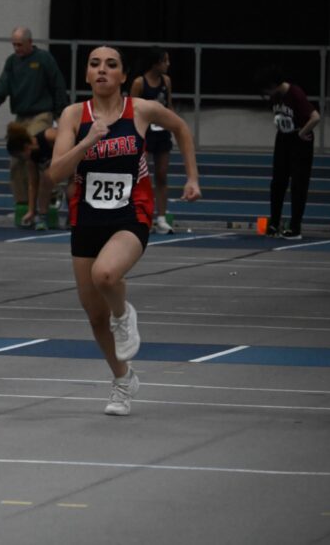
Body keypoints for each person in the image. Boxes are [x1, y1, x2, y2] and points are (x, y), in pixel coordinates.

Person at [48, 45, 200, 416]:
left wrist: (192, 176)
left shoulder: (141, 110)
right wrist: (88, 141)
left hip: (132, 213)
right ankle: (122, 381)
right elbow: (55, 173)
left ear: (122, 76)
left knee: (107, 274)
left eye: (110, 65)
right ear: (86, 75)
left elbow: (180, 126)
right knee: (94, 316)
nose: (102, 70)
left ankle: (124, 314)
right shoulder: (73, 115)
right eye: (94, 64)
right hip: (86, 218)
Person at [0, 27, 67, 225]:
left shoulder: (44, 59)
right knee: (17, 160)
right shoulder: (12, 62)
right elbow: (3, 84)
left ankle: (51, 193)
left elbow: (58, 84)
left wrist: (61, 113)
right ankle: (24, 205)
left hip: (41, 114)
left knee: (33, 148)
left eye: (19, 44)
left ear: (29, 42)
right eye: (14, 45)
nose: (16, 48)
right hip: (21, 116)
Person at [256, 66, 321, 240]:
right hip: (283, 139)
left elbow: (315, 117)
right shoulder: (277, 96)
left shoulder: (295, 93)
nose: (267, 94)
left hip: (300, 141)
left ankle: (295, 227)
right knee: (277, 182)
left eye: (268, 89)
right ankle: (274, 223)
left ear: (274, 85)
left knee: (298, 184)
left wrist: (301, 132)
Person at [129, 46, 176, 234]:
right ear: (156, 63)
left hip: (162, 133)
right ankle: (139, 214)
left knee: (162, 175)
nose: (168, 64)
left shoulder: (167, 81)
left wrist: (175, 125)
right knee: (141, 176)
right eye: (166, 61)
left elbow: (169, 105)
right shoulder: (139, 83)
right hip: (144, 134)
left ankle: (162, 218)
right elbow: (131, 110)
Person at [5, 121, 62, 230]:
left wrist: (57, 160)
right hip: (58, 169)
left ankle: (73, 217)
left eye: (20, 156)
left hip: (76, 160)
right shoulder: (31, 159)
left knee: (51, 175)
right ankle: (42, 218)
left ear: (26, 147)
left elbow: (73, 142)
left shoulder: (49, 136)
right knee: (45, 178)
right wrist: (31, 210)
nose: (21, 160)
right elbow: (32, 184)